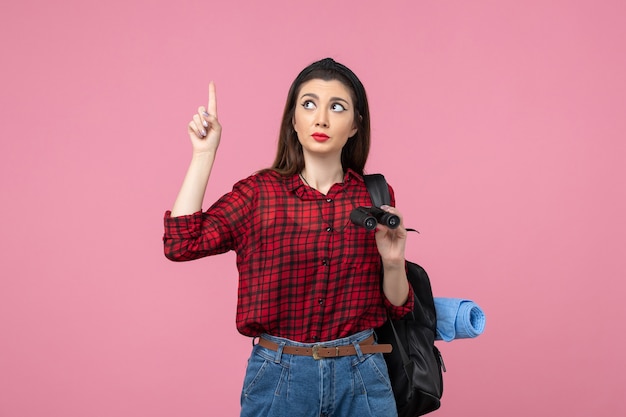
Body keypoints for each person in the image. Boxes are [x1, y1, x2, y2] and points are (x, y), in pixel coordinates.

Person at [163, 57, 414, 417]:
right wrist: (204, 154)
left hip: (362, 374)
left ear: (356, 125)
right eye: (308, 104)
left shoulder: (375, 195)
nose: (321, 118)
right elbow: (181, 243)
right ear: (293, 120)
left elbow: (397, 306)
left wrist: (393, 262)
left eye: (337, 107)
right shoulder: (258, 194)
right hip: (280, 377)